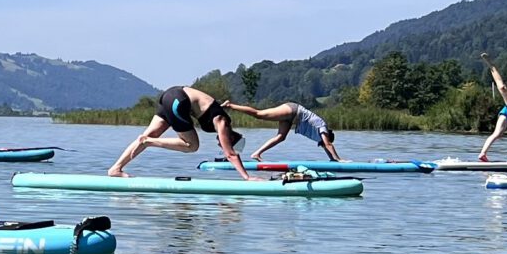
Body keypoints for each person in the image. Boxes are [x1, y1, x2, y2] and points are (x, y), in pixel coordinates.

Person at [109, 83, 251, 178]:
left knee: (149, 134)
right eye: (225, 144)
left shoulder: (220, 120)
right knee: (192, 146)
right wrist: (247, 177)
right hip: (179, 101)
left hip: (171, 95)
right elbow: (231, 154)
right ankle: (149, 142)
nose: (221, 146)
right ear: (231, 138)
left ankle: (115, 169)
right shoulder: (223, 123)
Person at [226, 100, 336, 164]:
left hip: (291, 119)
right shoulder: (323, 127)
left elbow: (326, 146)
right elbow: (328, 144)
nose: (321, 144)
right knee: (259, 114)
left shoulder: (322, 134)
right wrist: (339, 159)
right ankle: (230, 105)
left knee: (281, 137)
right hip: (293, 110)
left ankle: (256, 154)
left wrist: (332, 160)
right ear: (328, 135)